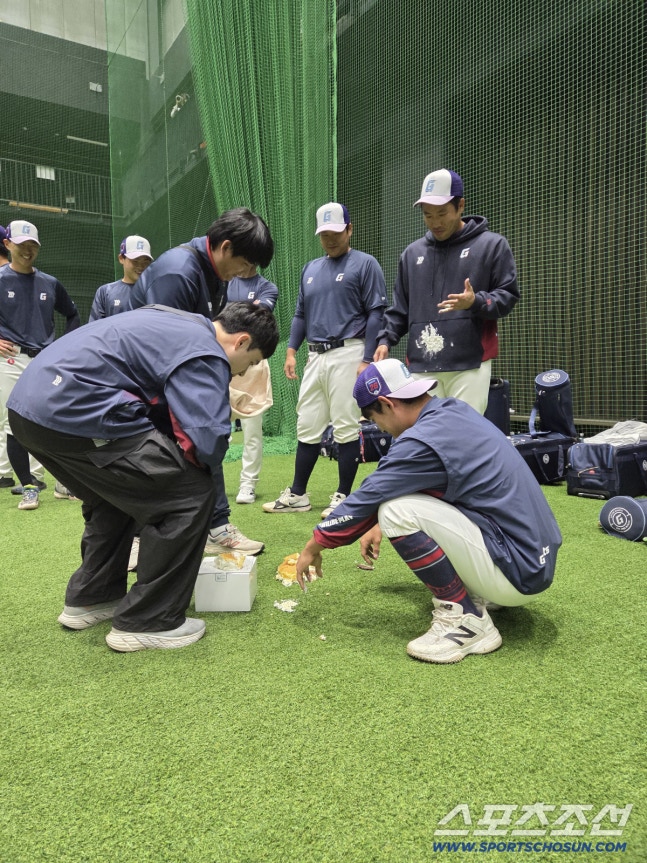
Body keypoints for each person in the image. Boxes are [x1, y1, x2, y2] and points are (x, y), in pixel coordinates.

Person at [7, 302, 280, 652]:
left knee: (119, 492)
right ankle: (149, 620)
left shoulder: (175, 319)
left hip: (28, 410)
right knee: (190, 494)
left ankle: (92, 598)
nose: (242, 373)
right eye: (252, 362)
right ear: (241, 342)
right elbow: (207, 443)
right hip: (74, 410)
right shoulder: (207, 351)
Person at [295, 358, 561, 664]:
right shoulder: (452, 411)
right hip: (533, 562)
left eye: (373, 418)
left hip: (517, 573)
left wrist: (316, 542)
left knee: (395, 511)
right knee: (394, 506)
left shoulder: (420, 440)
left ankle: (467, 622)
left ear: (386, 403)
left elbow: (368, 496)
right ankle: (481, 594)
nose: (377, 427)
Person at [127, 207, 274, 556]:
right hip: (141, 383)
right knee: (166, 449)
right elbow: (163, 346)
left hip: (169, 374)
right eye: (248, 265)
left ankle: (216, 525)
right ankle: (137, 539)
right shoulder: (179, 272)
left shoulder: (214, 273)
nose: (247, 274)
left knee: (206, 433)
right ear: (225, 247)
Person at [263, 202, 387, 519]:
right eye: (324, 234)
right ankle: (298, 494)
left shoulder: (365, 264)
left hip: (349, 351)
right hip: (315, 355)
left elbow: (376, 313)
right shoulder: (310, 269)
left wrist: (367, 357)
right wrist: (291, 350)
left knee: (345, 425)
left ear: (349, 229)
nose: (330, 239)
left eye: (335, 232)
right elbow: (301, 314)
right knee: (307, 423)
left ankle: (344, 495)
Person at [375, 169, 519, 415]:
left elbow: (507, 296)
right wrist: (386, 339)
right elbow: (400, 309)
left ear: (460, 205)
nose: (435, 222)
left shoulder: (492, 245)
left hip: (470, 364)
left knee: (464, 438)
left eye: (442, 213)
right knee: (426, 439)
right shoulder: (411, 254)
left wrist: (476, 301)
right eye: (428, 215)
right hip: (421, 365)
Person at [0, 220, 80, 510]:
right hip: (11, 358)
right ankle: (29, 487)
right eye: (22, 245)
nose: (27, 251)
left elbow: (72, 314)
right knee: (14, 423)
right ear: (8, 244)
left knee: (56, 419)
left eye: (32, 245)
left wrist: (64, 346)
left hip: (46, 359)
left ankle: (62, 483)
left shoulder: (49, 282)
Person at [226, 265, 279, 504]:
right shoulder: (226, 282)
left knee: (251, 431)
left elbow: (255, 322)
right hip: (225, 361)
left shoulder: (267, 287)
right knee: (218, 429)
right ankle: (211, 483)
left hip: (253, 364)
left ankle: (248, 484)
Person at [88, 235, 153, 321]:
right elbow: (95, 329)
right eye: (135, 261)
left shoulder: (156, 292)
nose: (141, 266)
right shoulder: (105, 292)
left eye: (145, 262)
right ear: (121, 258)